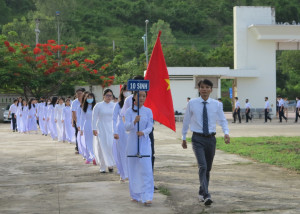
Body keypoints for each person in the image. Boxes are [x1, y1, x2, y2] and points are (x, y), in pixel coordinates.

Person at [182, 79, 230, 206]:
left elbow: (222, 120)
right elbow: (186, 120)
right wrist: (183, 137)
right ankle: (207, 194)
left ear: (211, 89)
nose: (204, 89)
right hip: (197, 139)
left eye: (207, 87)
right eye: (202, 87)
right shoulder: (192, 103)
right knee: (202, 166)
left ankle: (201, 191)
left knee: (207, 168)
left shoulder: (216, 104)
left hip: (211, 139)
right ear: (198, 89)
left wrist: (226, 132)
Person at [124, 90, 154, 205]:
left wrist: (143, 132)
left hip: (144, 142)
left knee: (146, 168)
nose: (141, 98)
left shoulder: (148, 111)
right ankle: (135, 194)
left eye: (144, 96)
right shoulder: (129, 111)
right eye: (139, 96)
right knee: (133, 168)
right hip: (132, 142)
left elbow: (150, 126)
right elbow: (126, 127)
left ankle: (147, 196)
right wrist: (134, 122)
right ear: (134, 97)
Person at [92, 88, 115, 173]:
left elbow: (117, 118)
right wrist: (94, 128)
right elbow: (94, 117)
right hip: (101, 128)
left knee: (110, 146)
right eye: (107, 95)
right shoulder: (98, 105)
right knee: (101, 147)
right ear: (103, 96)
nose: (109, 97)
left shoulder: (114, 105)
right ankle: (102, 166)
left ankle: (110, 164)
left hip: (111, 128)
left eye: (110, 96)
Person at [113, 84, 129, 182]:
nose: (127, 92)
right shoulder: (118, 105)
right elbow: (114, 119)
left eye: (129, 90)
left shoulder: (134, 103)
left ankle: (131, 173)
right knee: (121, 152)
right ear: (122, 92)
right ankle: (123, 174)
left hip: (131, 130)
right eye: (125, 90)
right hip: (121, 131)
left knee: (130, 153)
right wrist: (114, 131)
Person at [80, 92, 96, 165]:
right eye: (88, 97)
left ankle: (94, 157)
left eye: (91, 97)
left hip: (95, 126)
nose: (90, 99)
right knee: (88, 142)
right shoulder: (84, 107)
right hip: (87, 126)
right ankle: (91, 157)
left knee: (94, 142)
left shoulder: (96, 107)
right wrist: (81, 129)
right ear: (86, 99)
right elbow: (82, 119)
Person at [71, 88, 85, 154]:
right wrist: (75, 122)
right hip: (77, 120)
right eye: (78, 93)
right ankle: (79, 148)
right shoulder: (74, 102)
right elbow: (73, 113)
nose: (79, 95)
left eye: (80, 93)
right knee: (78, 134)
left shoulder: (85, 101)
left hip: (85, 120)